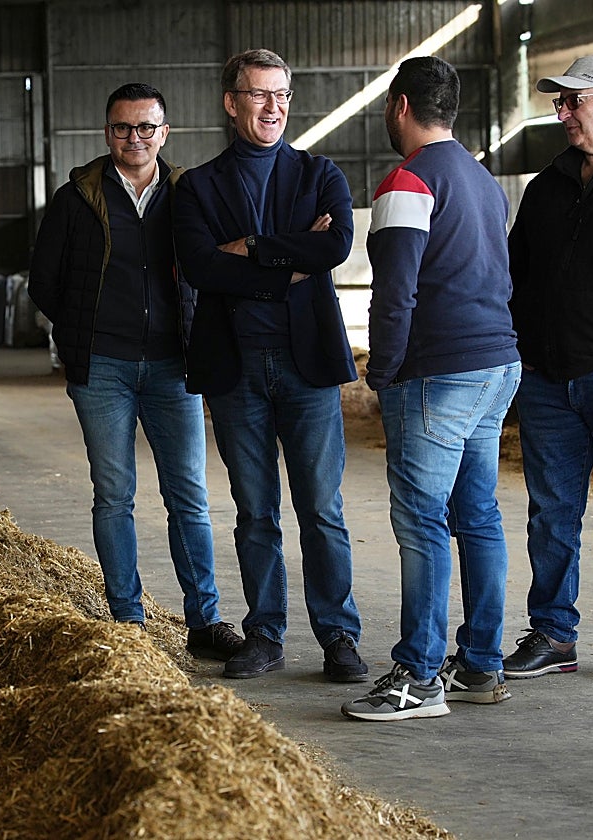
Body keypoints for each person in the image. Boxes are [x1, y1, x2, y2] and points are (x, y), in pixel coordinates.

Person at [28, 83, 245, 660]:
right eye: (123, 128)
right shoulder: (75, 199)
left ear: (164, 133)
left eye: (146, 127)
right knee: (113, 494)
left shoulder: (187, 194)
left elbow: (212, 263)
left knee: (189, 494)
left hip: (173, 367)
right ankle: (128, 621)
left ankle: (205, 621)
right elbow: (43, 282)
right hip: (103, 369)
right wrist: (84, 331)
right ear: (108, 133)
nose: (135, 138)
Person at [173, 49, 367, 682]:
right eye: (259, 94)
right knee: (255, 512)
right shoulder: (198, 186)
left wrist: (252, 248)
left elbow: (334, 245)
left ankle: (338, 634)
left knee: (321, 508)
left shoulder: (319, 172)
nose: (273, 107)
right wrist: (288, 266)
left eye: (282, 94)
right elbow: (202, 267)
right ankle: (264, 633)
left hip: (307, 366)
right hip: (236, 368)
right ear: (232, 103)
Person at [340, 57, 521, 721]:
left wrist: (382, 372)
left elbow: (395, 293)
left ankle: (418, 676)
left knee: (421, 523)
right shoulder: (481, 180)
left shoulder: (408, 180)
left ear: (398, 106)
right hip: (496, 364)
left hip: (437, 373)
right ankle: (480, 665)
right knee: (477, 516)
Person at [504, 54, 593, 681]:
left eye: (573, 100)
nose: (562, 113)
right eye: (558, 102)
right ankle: (553, 633)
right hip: (547, 379)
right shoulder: (547, 186)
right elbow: (516, 273)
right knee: (551, 513)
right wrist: (523, 351)